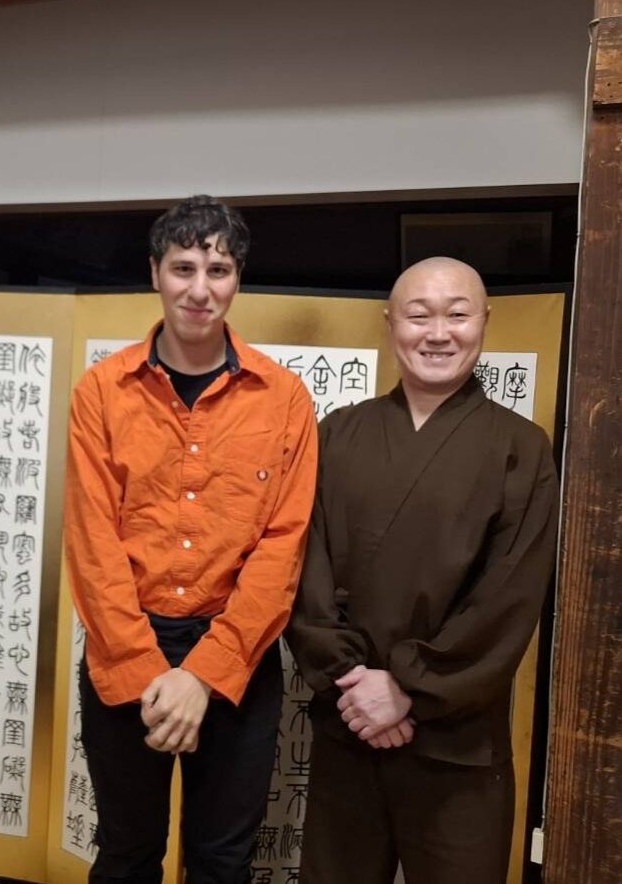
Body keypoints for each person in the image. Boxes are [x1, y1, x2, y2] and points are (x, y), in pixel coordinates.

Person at [63, 195, 318, 884]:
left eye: (219, 270)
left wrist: (204, 676)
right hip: (127, 650)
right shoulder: (102, 391)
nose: (200, 290)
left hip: (237, 654)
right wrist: (153, 677)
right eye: (183, 268)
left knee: (223, 860)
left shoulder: (284, 398)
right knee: (126, 852)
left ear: (238, 281)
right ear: (155, 273)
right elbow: (92, 542)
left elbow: (282, 544)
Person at [286, 257, 560, 884]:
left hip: (458, 744)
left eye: (457, 314)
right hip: (348, 724)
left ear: (485, 322)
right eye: (419, 315)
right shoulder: (339, 434)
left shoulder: (521, 448)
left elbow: (508, 598)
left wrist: (409, 687)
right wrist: (352, 679)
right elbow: (305, 568)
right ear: (390, 326)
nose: (439, 332)